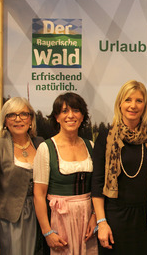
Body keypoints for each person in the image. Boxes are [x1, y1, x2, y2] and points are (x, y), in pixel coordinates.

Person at [91, 80, 147, 254]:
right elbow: (97, 184)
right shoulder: (106, 137)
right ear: (120, 104)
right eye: (128, 100)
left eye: (139, 101)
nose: (133, 105)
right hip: (115, 219)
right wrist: (101, 222)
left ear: (144, 106)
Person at [33, 92, 97, 254]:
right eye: (64, 111)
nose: (71, 116)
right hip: (59, 219)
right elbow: (39, 194)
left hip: (87, 218)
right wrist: (47, 232)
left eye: (76, 111)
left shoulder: (91, 146)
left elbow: (97, 187)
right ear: (57, 117)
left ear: (82, 116)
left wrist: (94, 216)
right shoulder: (46, 148)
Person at [0, 97, 44, 254]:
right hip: (8, 223)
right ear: (5, 120)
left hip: (39, 220)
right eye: (12, 115)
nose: (18, 119)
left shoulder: (40, 144)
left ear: (31, 119)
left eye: (24, 114)